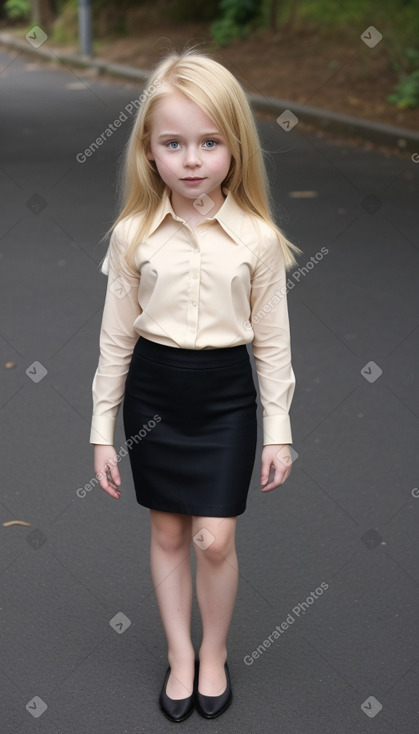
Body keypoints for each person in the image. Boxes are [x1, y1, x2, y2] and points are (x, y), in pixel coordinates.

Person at [89, 48, 301, 723]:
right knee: (169, 533)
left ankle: (216, 651)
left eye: (209, 142)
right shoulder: (132, 235)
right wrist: (100, 430)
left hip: (225, 398)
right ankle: (181, 655)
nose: (191, 160)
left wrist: (279, 430)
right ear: (148, 151)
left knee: (214, 536)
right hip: (153, 394)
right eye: (172, 142)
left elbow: (271, 343)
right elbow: (115, 339)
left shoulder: (258, 240)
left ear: (234, 146)